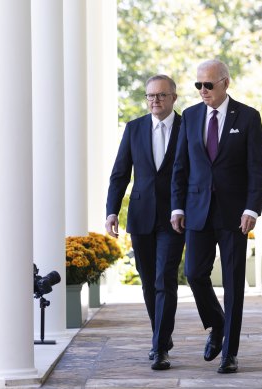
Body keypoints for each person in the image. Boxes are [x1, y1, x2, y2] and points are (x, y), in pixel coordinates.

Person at [170, 59, 262, 374]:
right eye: (198, 85)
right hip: (197, 211)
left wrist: (252, 208)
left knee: (234, 283)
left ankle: (230, 353)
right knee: (195, 273)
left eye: (208, 85)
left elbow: (258, 169)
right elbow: (180, 167)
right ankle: (218, 323)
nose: (202, 91)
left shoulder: (249, 118)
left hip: (234, 215)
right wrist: (177, 206)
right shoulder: (190, 116)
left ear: (226, 82)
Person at [106, 74, 185, 371]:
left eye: (162, 95)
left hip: (175, 217)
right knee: (149, 281)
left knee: (165, 278)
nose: (155, 100)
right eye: (151, 96)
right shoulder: (134, 128)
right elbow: (120, 173)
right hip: (140, 217)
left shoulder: (186, 128)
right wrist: (111, 211)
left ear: (173, 98)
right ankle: (161, 336)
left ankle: (159, 347)